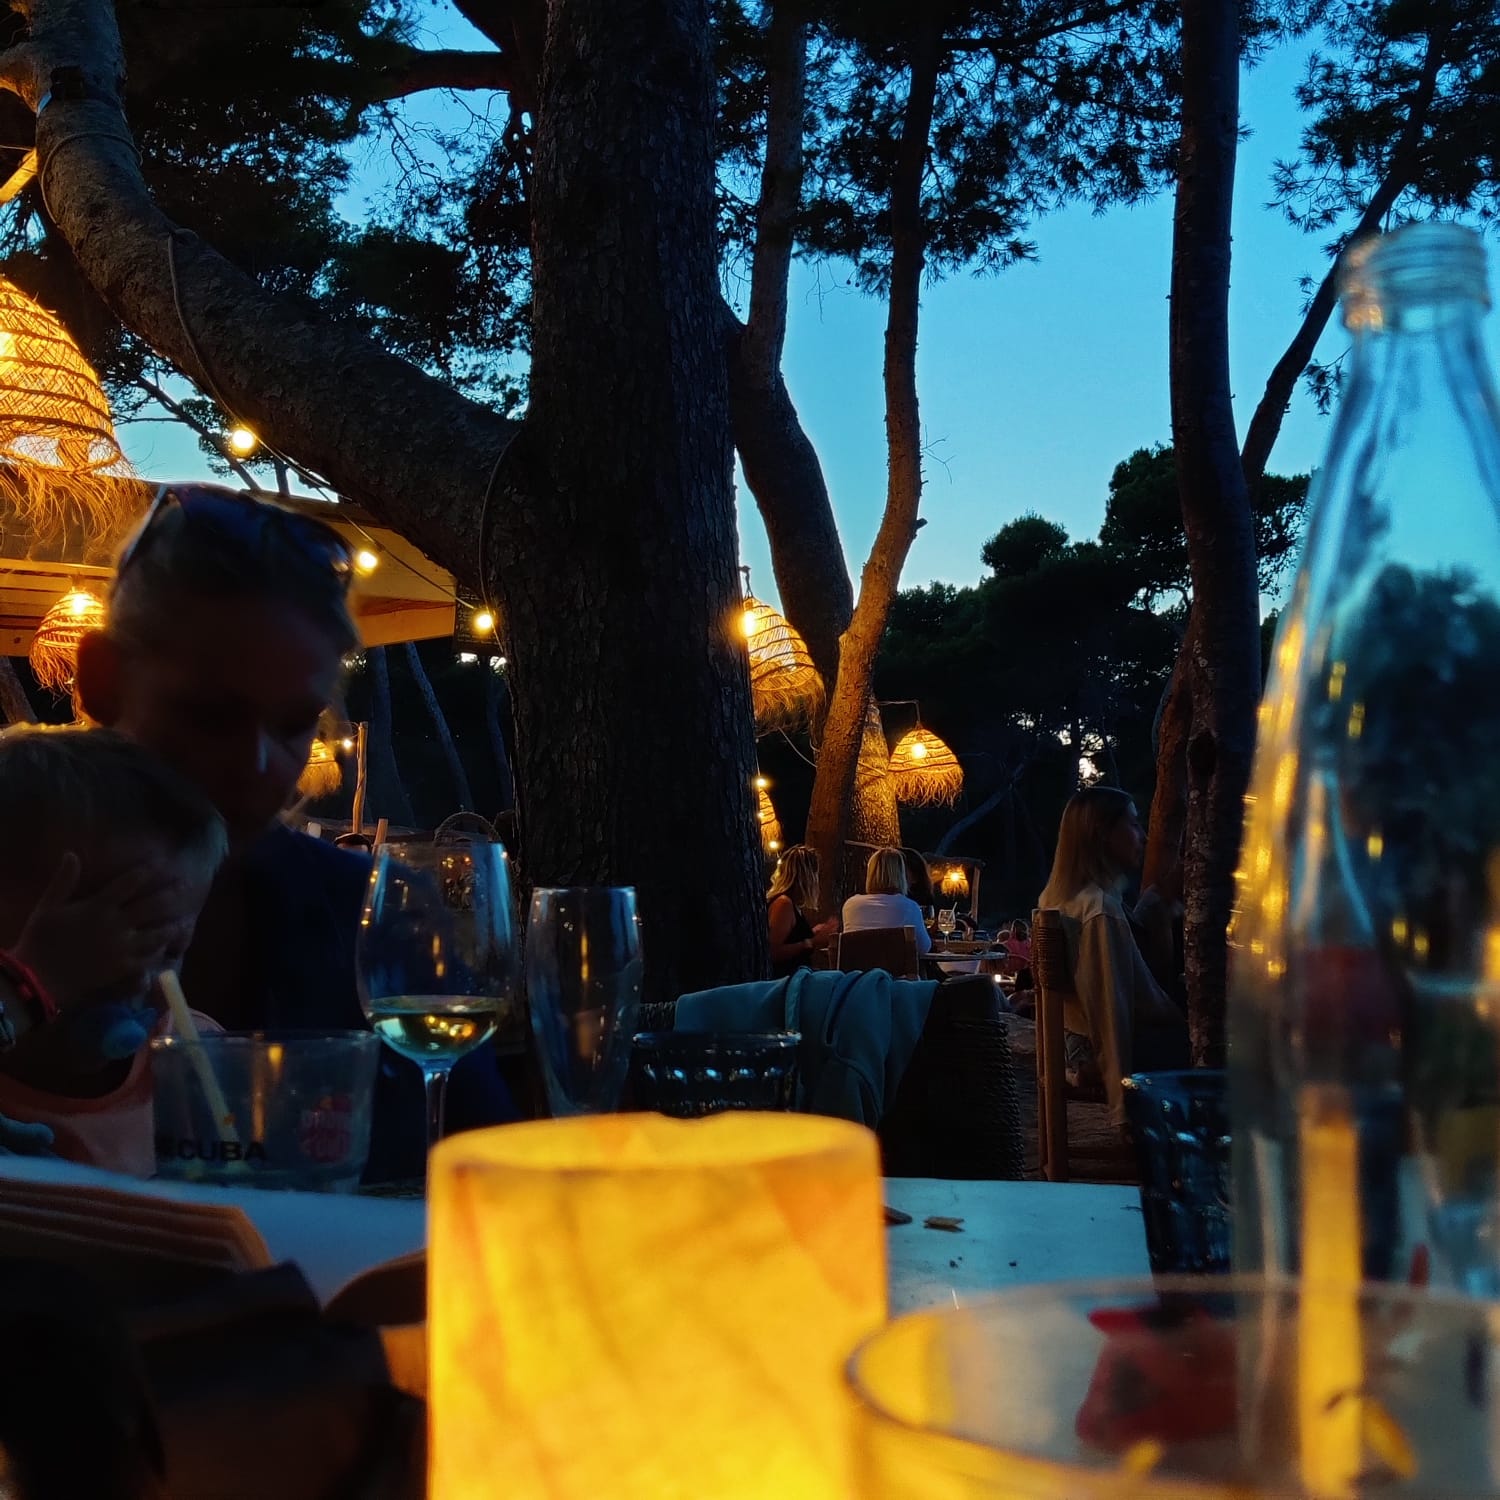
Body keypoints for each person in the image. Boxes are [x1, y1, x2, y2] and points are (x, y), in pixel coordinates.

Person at [73, 483, 513, 1180]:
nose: (256, 765)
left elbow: (489, 1172)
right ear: (100, 680)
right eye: (211, 715)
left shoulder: (375, 914)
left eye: (292, 725)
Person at [0, 726, 228, 1173]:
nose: (137, 979)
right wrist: (31, 986)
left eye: (166, 950)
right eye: (86, 948)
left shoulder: (198, 1061)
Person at [1037, 786, 1186, 1126]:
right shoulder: (1100, 910)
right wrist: (1122, 1103)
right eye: (1133, 824)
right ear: (1102, 834)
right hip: (1105, 1049)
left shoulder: (1061, 899)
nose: (1143, 836)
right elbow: (1109, 1009)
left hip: (1074, 1041)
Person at [841, 848, 932, 957]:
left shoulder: (850, 905)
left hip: (857, 968)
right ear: (901, 874)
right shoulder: (909, 907)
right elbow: (924, 948)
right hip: (895, 968)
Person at [766, 845, 838, 978]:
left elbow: (791, 938)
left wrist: (813, 932)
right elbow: (772, 952)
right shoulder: (783, 904)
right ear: (806, 877)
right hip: (786, 982)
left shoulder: (792, 904)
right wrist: (812, 942)